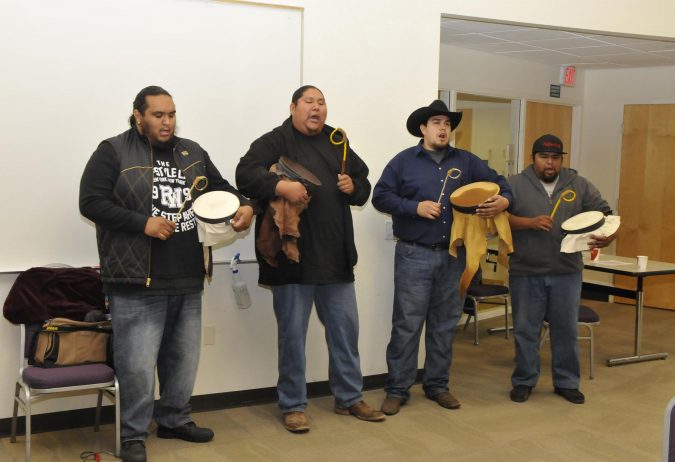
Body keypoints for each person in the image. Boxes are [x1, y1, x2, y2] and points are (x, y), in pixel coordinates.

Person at [79, 86, 254, 462]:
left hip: (188, 276)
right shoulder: (112, 151)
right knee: (137, 367)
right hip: (136, 281)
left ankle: (174, 418)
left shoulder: (192, 152)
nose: (167, 122)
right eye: (158, 115)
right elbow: (91, 202)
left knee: (182, 360)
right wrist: (143, 223)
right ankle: (132, 436)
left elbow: (221, 189)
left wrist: (245, 205)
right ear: (138, 115)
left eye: (171, 114)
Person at [235, 85, 384, 433]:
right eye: (309, 103)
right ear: (293, 107)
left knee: (346, 334)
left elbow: (363, 184)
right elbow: (245, 173)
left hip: (336, 258)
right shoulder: (275, 140)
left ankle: (350, 397)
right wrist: (279, 187)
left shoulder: (337, 140)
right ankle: (292, 405)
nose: (316, 109)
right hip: (292, 260)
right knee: (292, 337)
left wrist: (354, 187)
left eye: (321, 103)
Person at [372, 100, 512, 416]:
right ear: (423, 128)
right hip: (414, 255)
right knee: (407, 324)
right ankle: (397, 389)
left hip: (455, 256)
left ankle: (437, 386)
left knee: (444, 324)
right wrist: (414, 207)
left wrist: (502, 200)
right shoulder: (404, 162)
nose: (443, 128)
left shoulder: (467, 162)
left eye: (447, 123)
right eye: (436, 122)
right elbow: (380, 196)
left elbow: (501, 185)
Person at [507, 134, 615, 405]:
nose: (549, 164)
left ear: (562, 160)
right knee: (525, 329)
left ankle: (566, 383)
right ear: (533, 158)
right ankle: (524, 380)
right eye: (544, 157)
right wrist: (528, 222)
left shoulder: (578, 184)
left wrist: (609, 235)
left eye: (555, 158)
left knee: (566, 329)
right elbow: (498, 219)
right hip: (525, 270)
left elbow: (605, 213)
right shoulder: (514, 185)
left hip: (567, 272)